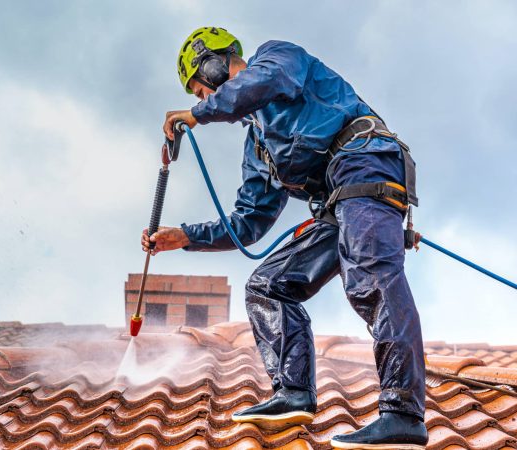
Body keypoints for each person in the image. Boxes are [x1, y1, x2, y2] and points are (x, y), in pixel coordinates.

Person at [142, 26, 428, 449]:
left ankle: (403, 413)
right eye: (197, 97)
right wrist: (183, 236)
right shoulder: (258, 145)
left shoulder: (276, 58)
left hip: (366, 166)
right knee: (267, 285)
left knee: (369, 276)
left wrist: (198, 115)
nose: (201, 100)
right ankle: (292, 392)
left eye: (200, 89)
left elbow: (265, 82)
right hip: (337, 203)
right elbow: (248, 223)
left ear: (216, 62)